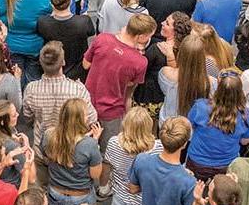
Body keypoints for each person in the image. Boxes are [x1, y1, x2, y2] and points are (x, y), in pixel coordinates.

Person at [22, 41, 97, 186]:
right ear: (62, 62)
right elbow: (92, 119)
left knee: (43, 188)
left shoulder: (31, 89)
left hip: (41, 150)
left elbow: (27, 117)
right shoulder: (77, 90)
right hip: (70, 151)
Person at [84, 14, 155, 151]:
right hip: (112, 111)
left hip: (86, 105)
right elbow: (130, 89)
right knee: (108, 150)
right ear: (140, 37)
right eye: (148, 36)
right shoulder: (140, 62)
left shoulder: (102, 38)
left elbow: (86, 65)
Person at [42, 98, 102, 205]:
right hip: (81, 196)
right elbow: (95, 174)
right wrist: (95, 142)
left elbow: (46, 158)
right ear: (80, 119)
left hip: (56, 193)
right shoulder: (89, 145)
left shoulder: (49, 136)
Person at [185, 71, 249, 180]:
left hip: (197, 161)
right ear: (240, 91)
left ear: (218, 89)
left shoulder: (200, 106)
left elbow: (189, 126)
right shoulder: (246, 115)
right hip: (226, 165)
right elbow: (245, 141)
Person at [36, 0, 95, 82]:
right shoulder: (83, 22)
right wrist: (83, 14)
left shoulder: (43, 22)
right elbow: (91, 35)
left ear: (52, 4)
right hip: (78, 74)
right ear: (71, 1)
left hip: (53, 70)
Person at [137, 11, 192, 111]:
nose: (162, 23)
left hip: (149, 98)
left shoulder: (157, 49)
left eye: (167, 23)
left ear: (175, 31)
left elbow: (140, 69)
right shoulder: (186, 51)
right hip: (170, 101)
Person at [158, 33, 211, 127]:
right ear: (203, 57)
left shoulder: (165, 73)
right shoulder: (210, 82)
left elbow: (164, 89)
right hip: (193, 128)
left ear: (180, 53)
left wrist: (170, 57)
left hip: (168, 126)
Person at [0, 100, 34, 187]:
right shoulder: (11, 146)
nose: (18, 114)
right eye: (13, 115)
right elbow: (31, 178)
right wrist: (26, 147)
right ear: (2, 122)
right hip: (11, 188)